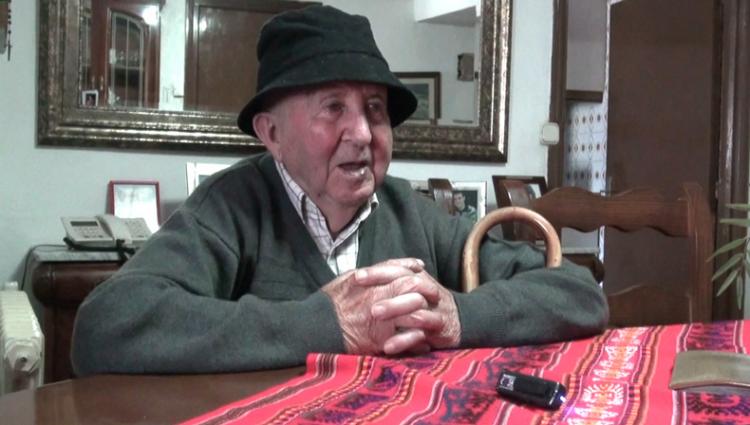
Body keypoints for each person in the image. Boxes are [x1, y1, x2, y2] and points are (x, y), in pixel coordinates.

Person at [71, 5, 608, 376]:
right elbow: (105, 327)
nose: (363, 133)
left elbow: (579, 294)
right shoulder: (232, 207)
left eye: (375, 109)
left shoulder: (410, 211)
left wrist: (459, 317)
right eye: (333, 108)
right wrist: (327, 324)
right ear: (271, 134)